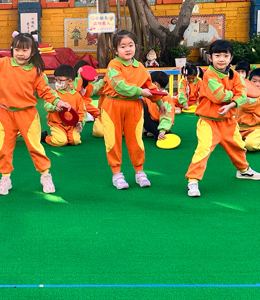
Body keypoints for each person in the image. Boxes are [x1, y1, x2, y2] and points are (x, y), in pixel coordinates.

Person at [0, 33, 71, 195]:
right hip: (5, 114)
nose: (20, 53)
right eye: (17, 49)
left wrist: (58, 102)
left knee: (35, 147)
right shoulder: (2, 64)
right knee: (4, 148)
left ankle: (45, 175)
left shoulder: (36, 71)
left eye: (25, 50)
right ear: (12, 49)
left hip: (28, 115)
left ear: (33, 52)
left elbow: (45, 91)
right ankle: (5, 178)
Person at [185, 39, 260, 198]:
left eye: (225, 56)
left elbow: (242, 94)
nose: (221, 59)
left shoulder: (234, 74)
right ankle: (193, 180)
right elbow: (219, 96)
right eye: (217, 55)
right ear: (210, 58)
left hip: (228, 121)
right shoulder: (209, 75)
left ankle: (243, 170)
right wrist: (235, 97)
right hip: (208, 122)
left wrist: (232, 103)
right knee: (203, 150)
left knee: (238, 146)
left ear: (231, 58)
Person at [98, 30, 158, 190]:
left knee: (136, 140)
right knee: (113, 140)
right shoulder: (114, 65)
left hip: (134, 107)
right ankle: (116, 173)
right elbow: (119, 86)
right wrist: (140, 91)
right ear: (115, 50)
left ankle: (139, 172)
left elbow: (149, 86)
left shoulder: (140, 67)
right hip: (113, 106)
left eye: (130, 45)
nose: (127, 49)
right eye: (122, 46)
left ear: (136, 46)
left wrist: (159, 102)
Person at [45, 64, 87, 147]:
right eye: (56, 80)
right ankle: (46, 137)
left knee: (75, 141)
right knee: (61, 141)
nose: (57, 83)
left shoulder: (77, 96)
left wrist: (80, 122)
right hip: (57, 124)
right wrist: (55, 107)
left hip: (72, 125)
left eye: (60, 80)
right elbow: (47, 105)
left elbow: (82, 111)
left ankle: (67, 136)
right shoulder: (54, 93)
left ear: (70, 81)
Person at [238, 67, 260, 152]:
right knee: (228, 142)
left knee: (250, 145)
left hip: (255, 128)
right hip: (239, 128)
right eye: (254, 81)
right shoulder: (243, 94)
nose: (257, 84)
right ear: (249, 82)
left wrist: (236, 96)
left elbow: (244, 106)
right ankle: (243, 141)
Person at [142, 70, 174, 140]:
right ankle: (152, 131)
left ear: (155, 84)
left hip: (157, 123)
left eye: (149, 83)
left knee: (140, 102)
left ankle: (160, 133)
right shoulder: (149, 94)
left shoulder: (166, 98)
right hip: (151, 120)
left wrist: (162, 131)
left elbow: (166, 116)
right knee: (139, 103)